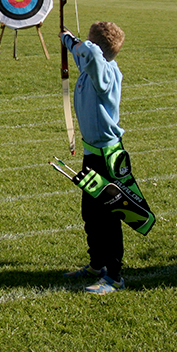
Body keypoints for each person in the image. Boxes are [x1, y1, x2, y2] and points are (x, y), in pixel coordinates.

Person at [61, 21, 128, 295]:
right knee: (91, 213)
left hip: (109, 158)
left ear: (97, 50)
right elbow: (83, 53)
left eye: (88, 43)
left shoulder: (105, 74)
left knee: (109, 218)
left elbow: (88, 52)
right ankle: (97, 264)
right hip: (92, 156)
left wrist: (81, 44)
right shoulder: (90, 68)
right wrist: (68, 39)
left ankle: (114, 276)